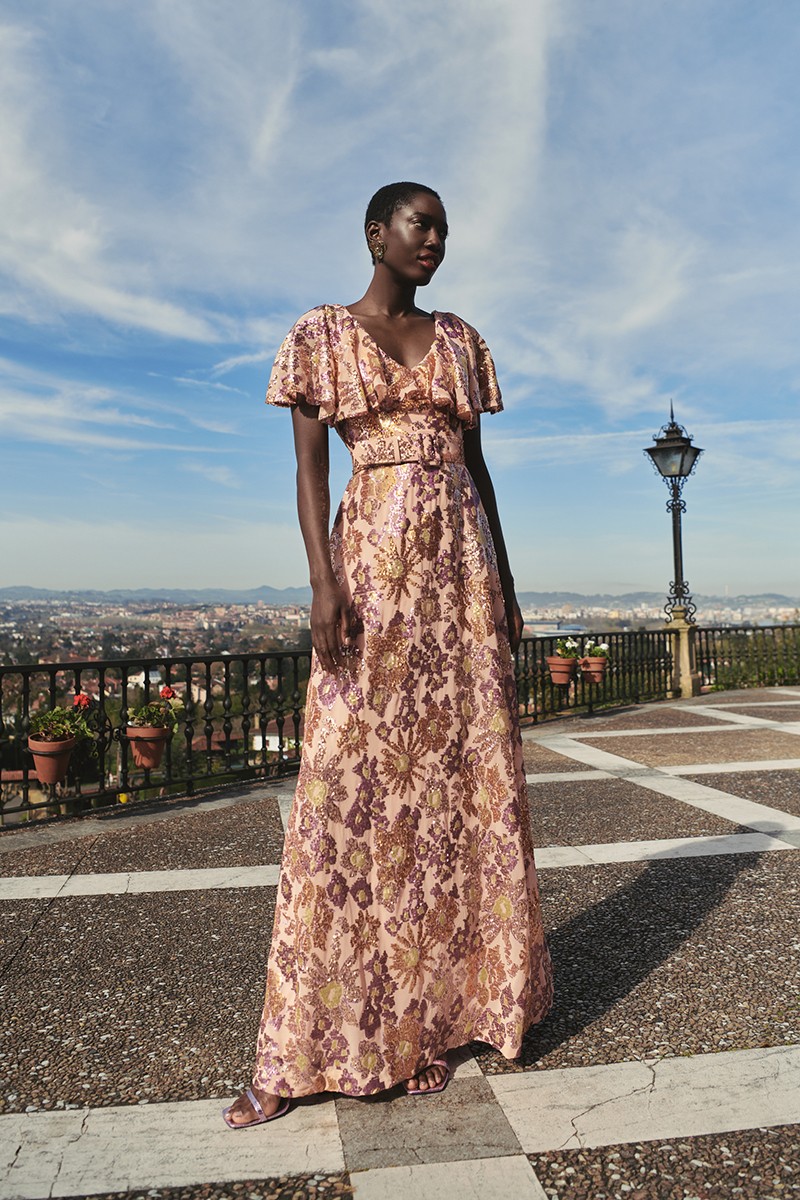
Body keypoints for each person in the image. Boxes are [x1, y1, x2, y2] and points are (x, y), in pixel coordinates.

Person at [223, 182, 553, 1128]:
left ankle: (440, 1017)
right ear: (377, 234)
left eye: (444, 227)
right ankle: (305, 1043)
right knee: (346, 795)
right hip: (372, 575)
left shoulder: (460, 339)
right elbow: (310, 472)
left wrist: (509, 583)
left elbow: (477, 470)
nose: (436, 240)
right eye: (420, 224)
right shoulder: (322, 334)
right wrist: (324, 585)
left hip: (458, 587)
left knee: (454, 795)